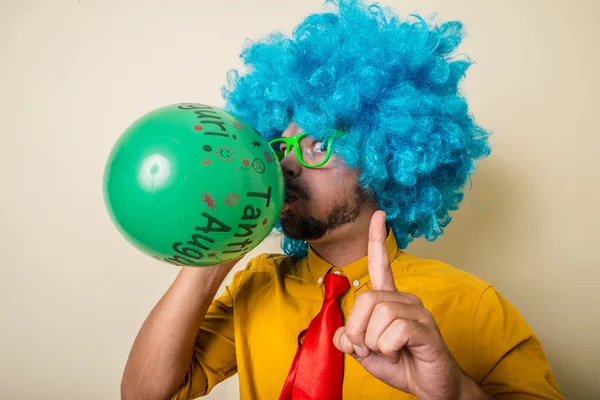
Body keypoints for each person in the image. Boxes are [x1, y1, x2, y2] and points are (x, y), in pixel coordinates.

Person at [120, 1, 564, 399]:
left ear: (384, 157)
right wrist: (218, 250)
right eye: (279, 148)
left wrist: (452, 392)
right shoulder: (255, 286)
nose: (286, 166)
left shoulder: (472, 304)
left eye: (316, 146)